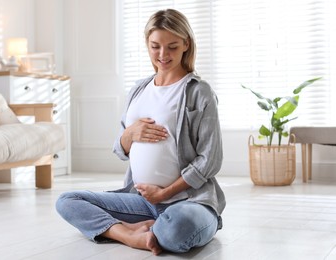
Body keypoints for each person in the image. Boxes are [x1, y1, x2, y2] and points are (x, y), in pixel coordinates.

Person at [56, 9, 225, 255]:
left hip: (188, 202)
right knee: (67, 201)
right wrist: (130, 134)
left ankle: (160, 228)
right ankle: (127, 235)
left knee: (176, 230)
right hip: (141, 201)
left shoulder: (199, 91)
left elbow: (210, 160)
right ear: (147, 43)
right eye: (155, 46)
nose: (163, 55)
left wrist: (164, 193)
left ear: (186, 44)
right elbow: (121, 149)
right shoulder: (139, 90)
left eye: (172, 47)